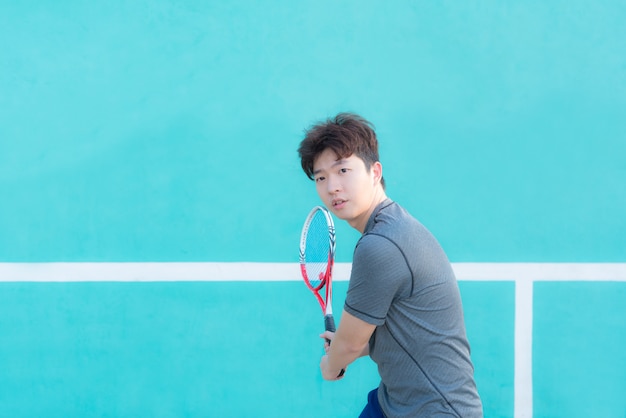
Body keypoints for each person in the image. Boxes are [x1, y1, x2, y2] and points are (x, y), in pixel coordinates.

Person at [297, 113, 483, 417]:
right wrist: (347, 346)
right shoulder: (394, 226)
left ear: (374, 172)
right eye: (321, 177)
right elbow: (392, 335)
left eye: (343, 170)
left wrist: (332, 365)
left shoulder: (380, 245)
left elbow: (349, 347)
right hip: (393, 404)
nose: (332, 186)